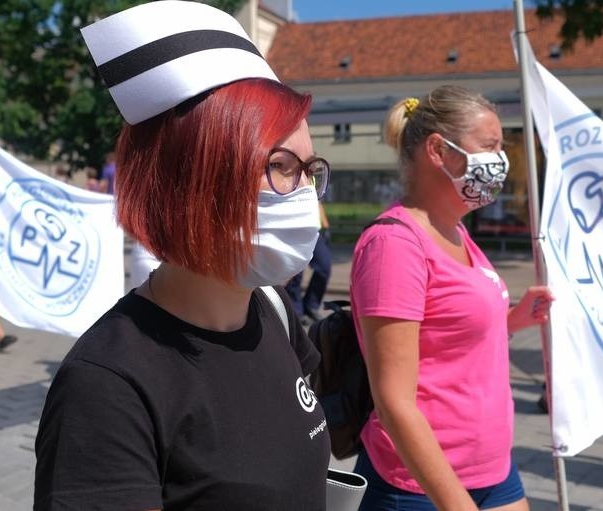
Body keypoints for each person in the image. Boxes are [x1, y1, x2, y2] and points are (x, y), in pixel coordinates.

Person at [34, 2, 331, 509]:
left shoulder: (274, 313)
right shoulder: (107, 386)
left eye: (309, 169)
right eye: (281, 166)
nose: (304, 191)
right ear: (198, 179)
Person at [350, 87, 554, 511]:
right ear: (439, 150)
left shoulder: (456, 231)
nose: (501, 161)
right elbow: (394, 403)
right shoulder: (394, 245)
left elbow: (446, 335)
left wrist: (514, 318)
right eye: (491, 146)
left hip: (492, 470)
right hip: (419, 484)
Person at [285, 202, 332, 321]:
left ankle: (311, 305)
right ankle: (296, 310)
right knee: (296, 272)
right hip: (293, 229)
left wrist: (325, 225)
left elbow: (318, 201)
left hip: (314, 230)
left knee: (324, 266)